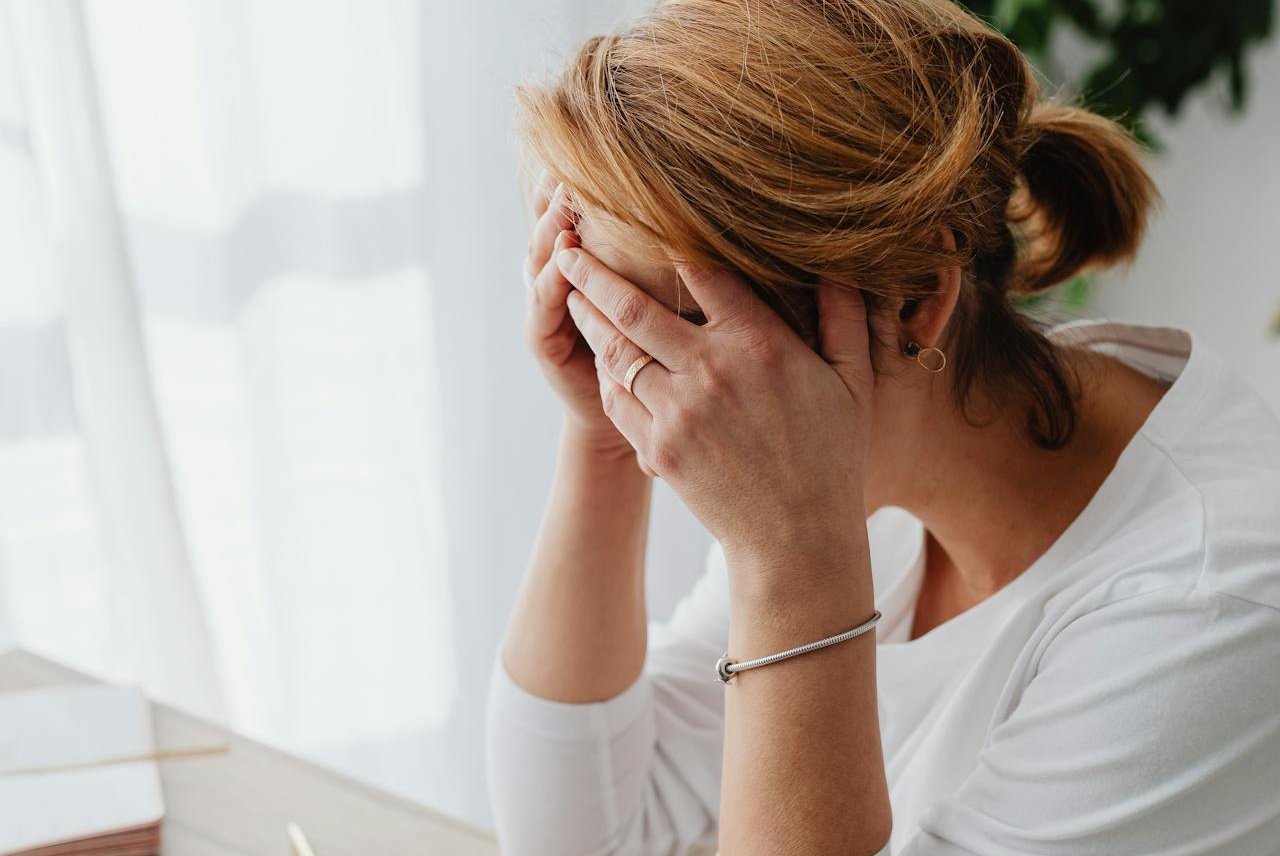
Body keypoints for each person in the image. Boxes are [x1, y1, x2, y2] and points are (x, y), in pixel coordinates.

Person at [487, 1, 1280, 854]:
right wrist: (599, 439)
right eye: (603, 323)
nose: (659, 420)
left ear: (913, 300)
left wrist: (792, 567)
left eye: (662, 344)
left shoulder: (1210, 605)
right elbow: (584, 837)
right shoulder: (872, 465)